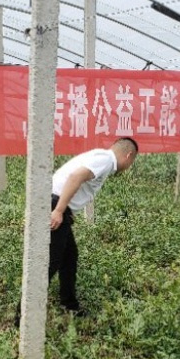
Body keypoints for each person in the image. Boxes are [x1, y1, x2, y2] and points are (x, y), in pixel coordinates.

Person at [16, 137, 138, 325]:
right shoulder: (106, 160)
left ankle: (69, 305)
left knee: (69, 257)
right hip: (56, 204)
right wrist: (58, 210)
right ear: (129, 156)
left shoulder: (102, 157)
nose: (129, 167)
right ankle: (23, 315)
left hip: (57, 203)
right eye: (132, 162)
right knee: (50, 263)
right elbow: (76, 177)